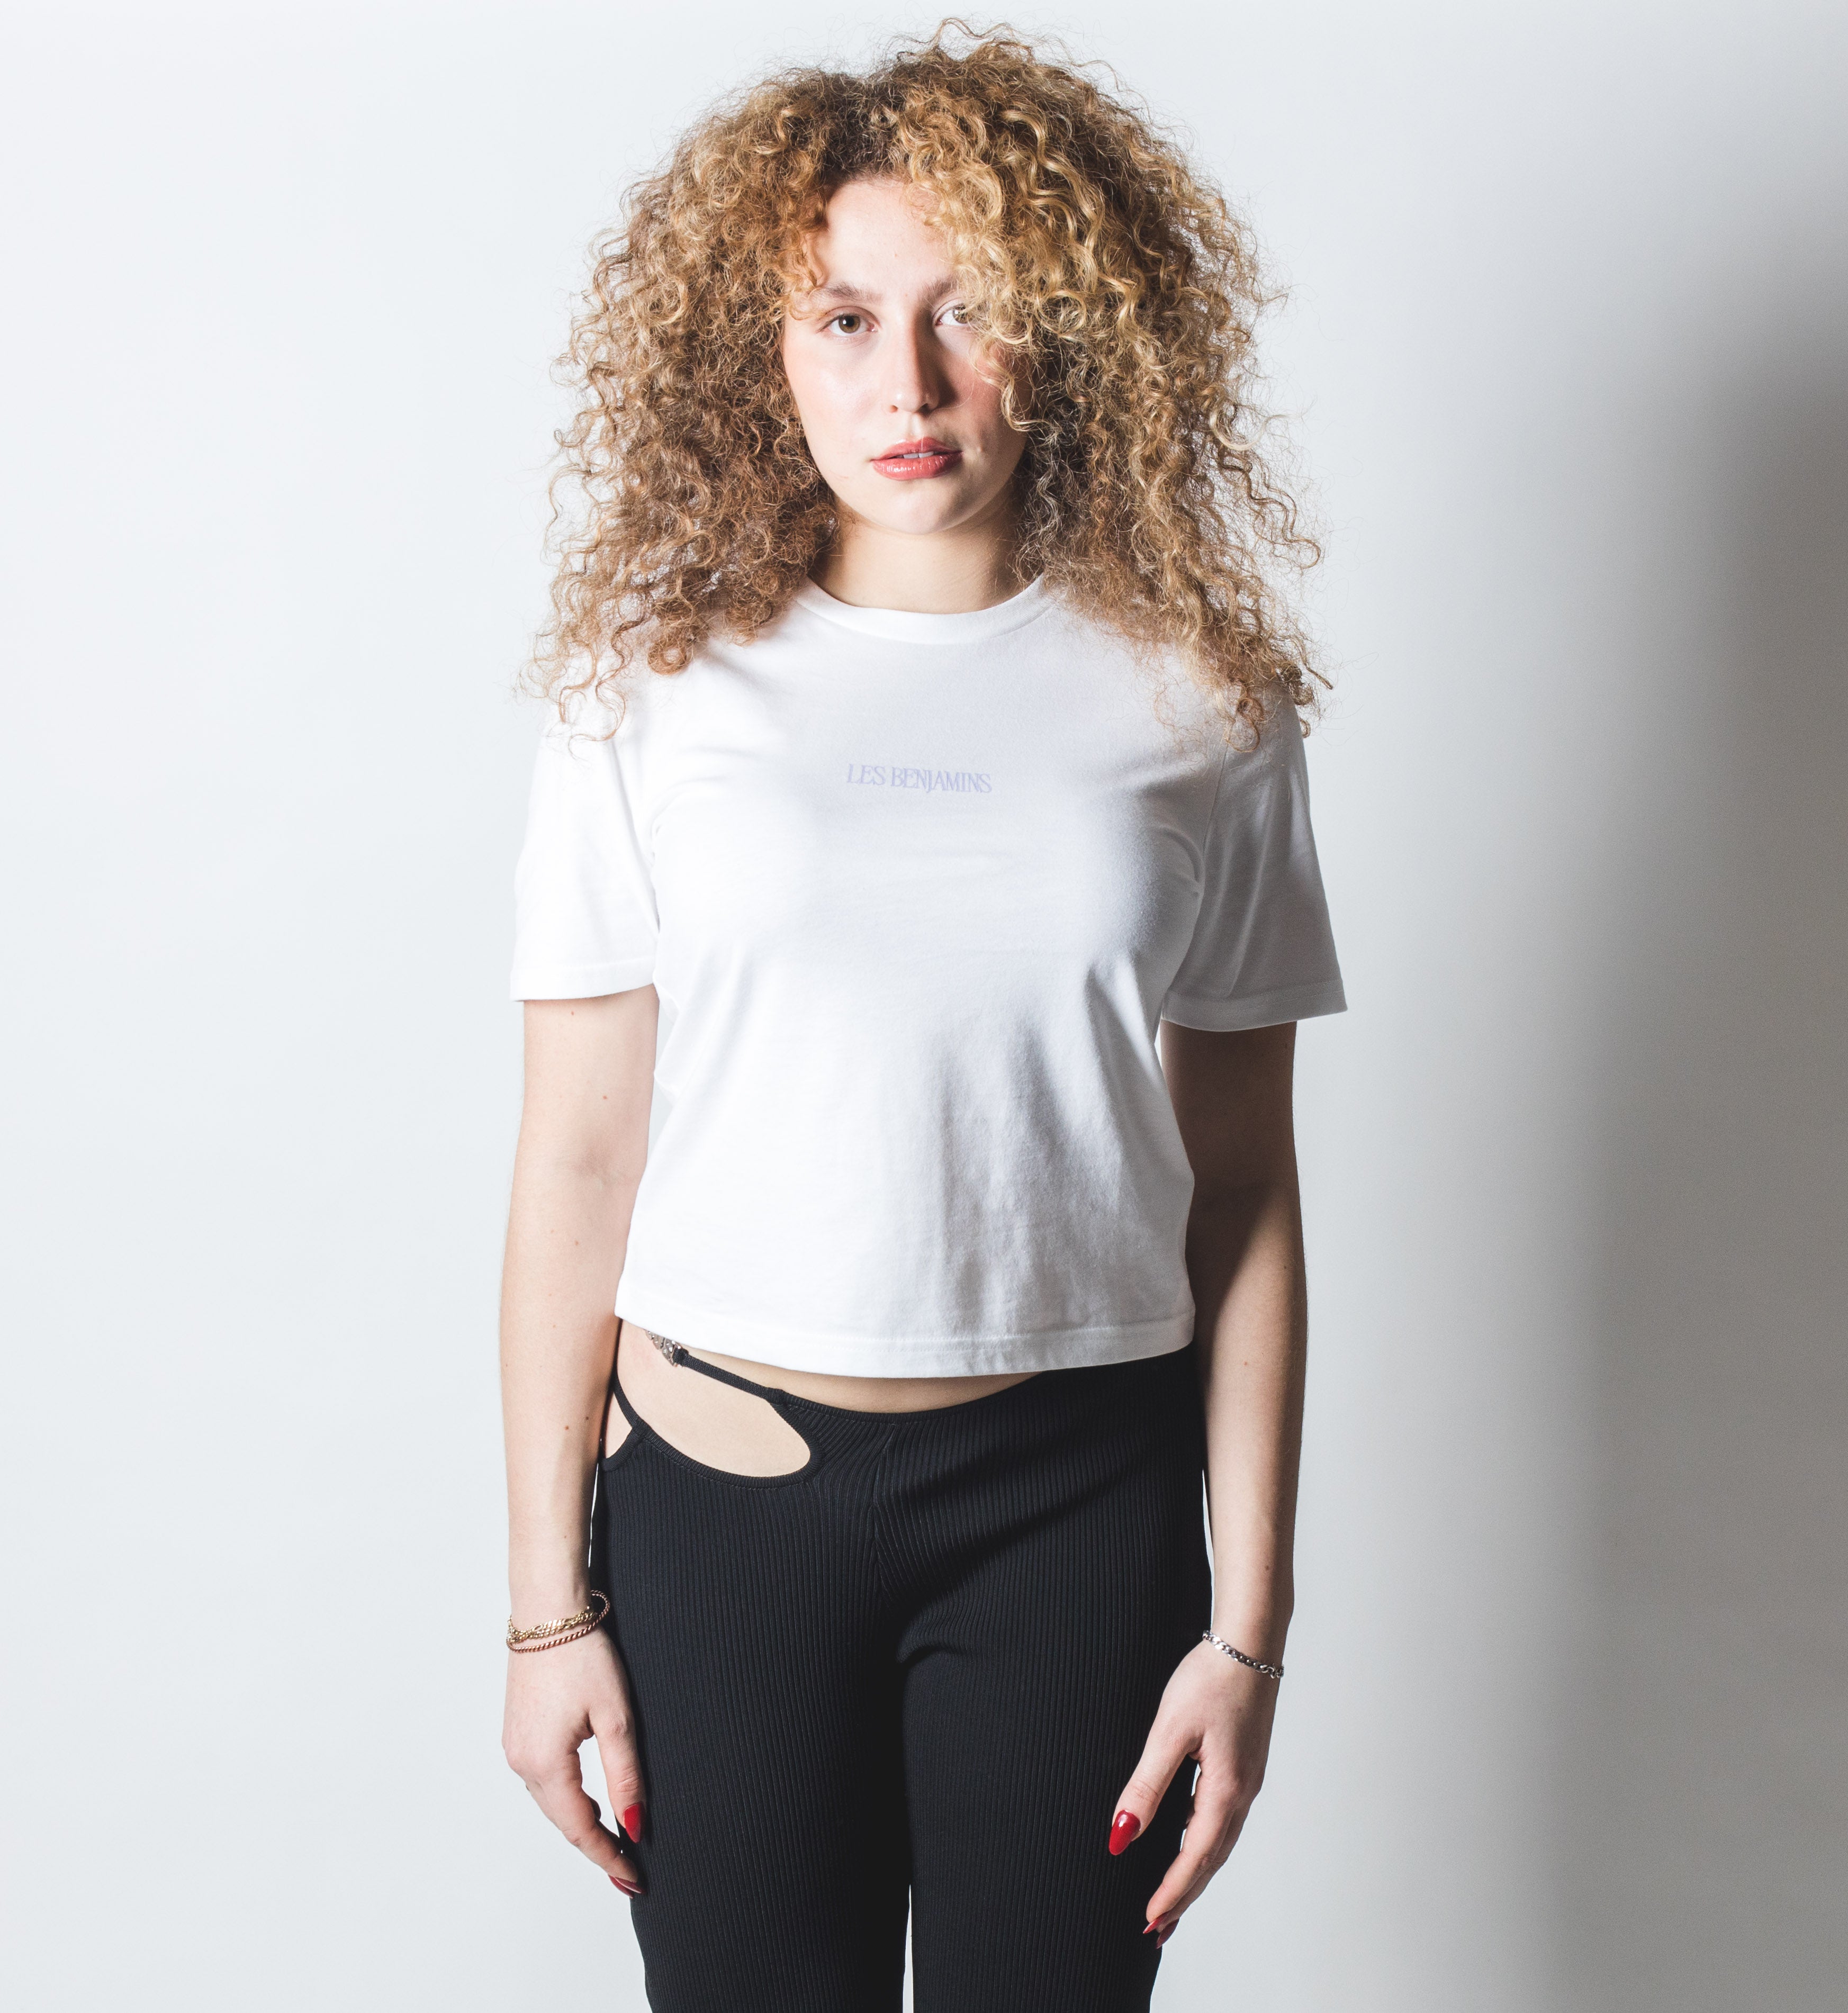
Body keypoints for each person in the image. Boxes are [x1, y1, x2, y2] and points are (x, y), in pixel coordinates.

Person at [498, 27, 1344, 2012]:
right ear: (759, 349)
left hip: (1080, 1505)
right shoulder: (649, 689)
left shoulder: (1201, 695)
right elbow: (578, 1156)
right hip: (718, 1502)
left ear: (1073, 332)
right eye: (845, 318)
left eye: (971, 311)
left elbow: (1243, 1184)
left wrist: (1247, 1626)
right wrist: (546, 1612)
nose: (908, 383)